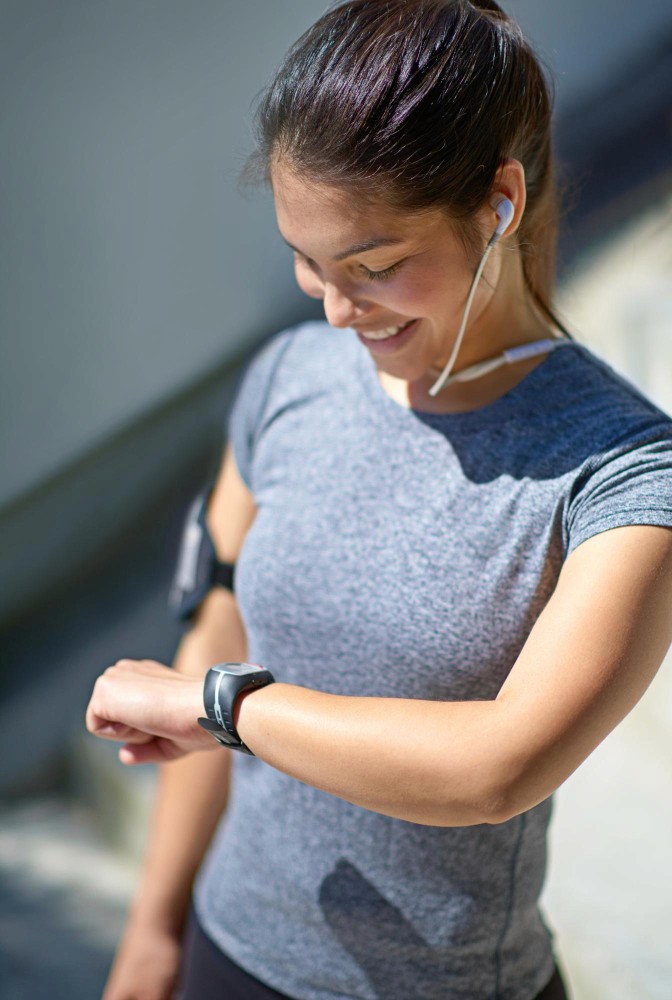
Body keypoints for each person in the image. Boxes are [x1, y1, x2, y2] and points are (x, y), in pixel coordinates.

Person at [86, 2, 672, 998]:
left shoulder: (622, 471)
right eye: (307, 261)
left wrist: (220, 708)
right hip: (225, 952)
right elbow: (214, 631)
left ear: (499, 201)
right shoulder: (288, 379)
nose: (336, 307)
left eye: (375, 266)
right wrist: (153, 933)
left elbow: (497, 767)